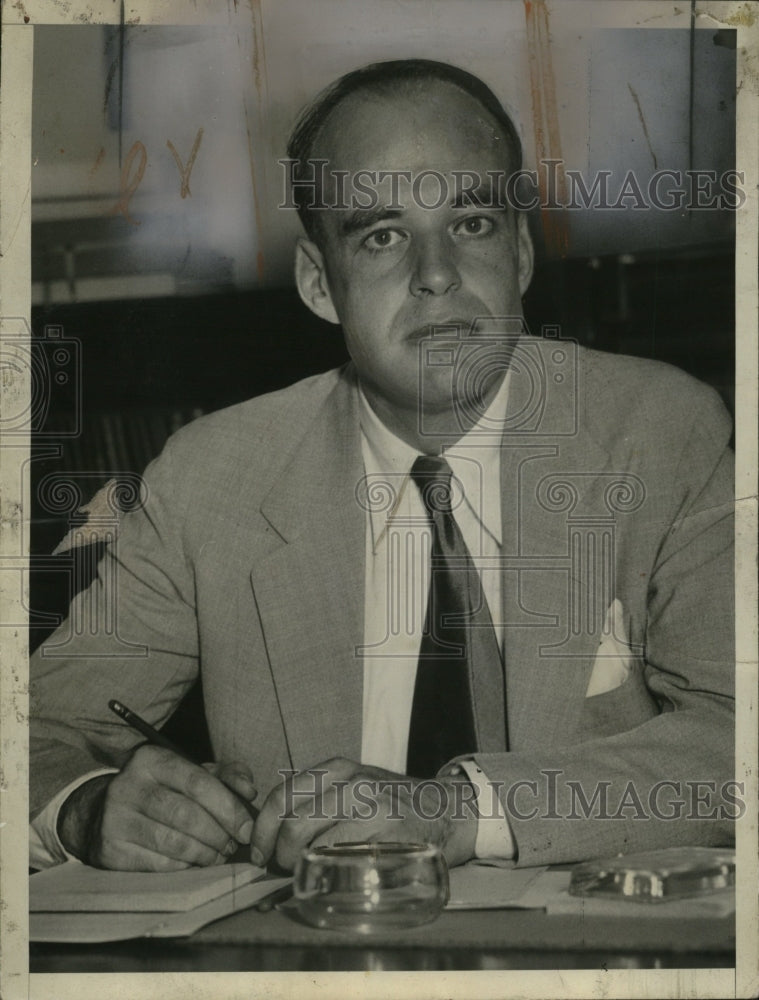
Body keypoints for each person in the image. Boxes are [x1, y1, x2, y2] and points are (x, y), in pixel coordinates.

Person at [30, 59, 735, 874]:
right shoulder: (209, 480)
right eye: (383, 235)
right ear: (318, 283)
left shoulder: (661, 434)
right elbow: (38, 726)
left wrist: (459, 810)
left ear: (521, 255)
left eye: (471, 224)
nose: (436, 276)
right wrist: (85, 810)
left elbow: (738, 738)